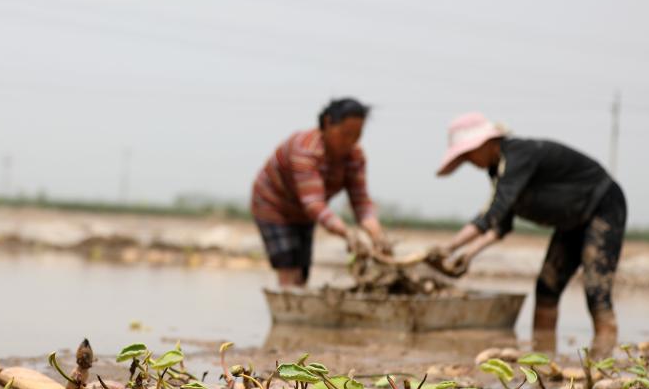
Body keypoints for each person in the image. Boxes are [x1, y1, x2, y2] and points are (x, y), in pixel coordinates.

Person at [429, 112, 626, 354]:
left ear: (486, 143)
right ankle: (543, 358)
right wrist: (468, 254)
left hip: (602, 206)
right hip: (571, 222)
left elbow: (492, 214)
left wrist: (448, 248)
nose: (470, 161)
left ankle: (603, 358)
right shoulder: (499, 171)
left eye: (469, 154)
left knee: (597, 291)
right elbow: (501, 224)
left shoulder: (517, 156)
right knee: (546, 289)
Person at [251, 98, 388, 287]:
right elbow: (313, 204)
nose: (350, 141)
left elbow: (361, 203)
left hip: (304, 215)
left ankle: (297, 297)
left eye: (357, 135)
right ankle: (288, 299)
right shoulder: (305, 150)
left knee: (302, 272)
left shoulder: (355, 157)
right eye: (345, 134)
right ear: (328, 123)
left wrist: (377, 235)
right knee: (289, 268)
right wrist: (347, 233)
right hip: (274, 206)